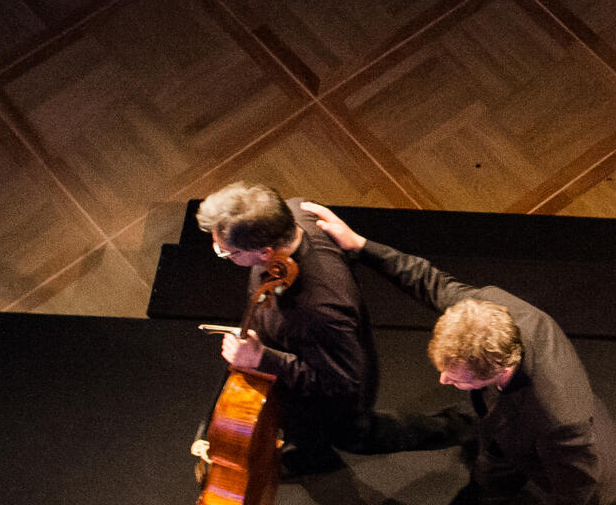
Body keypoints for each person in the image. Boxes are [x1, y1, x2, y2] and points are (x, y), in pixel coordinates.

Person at [300, 202, 616, 505]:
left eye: (457, 379)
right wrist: (360, 245)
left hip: (559, 451)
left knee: (610, 498)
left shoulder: (560, 418)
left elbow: (577, 482)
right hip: (507, 427)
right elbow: (427, 280)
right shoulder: (485, 311)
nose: (444, 382)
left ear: (497, 369)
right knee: (487, 475)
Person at [194, 183, 469, 473]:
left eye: (227, 253)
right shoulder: (299, 211)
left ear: (265, 252)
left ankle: (460, 426)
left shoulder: (319, 309)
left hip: (334, 395)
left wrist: (264, 358)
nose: (221, 254)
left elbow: (341, 382)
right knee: (303, 431)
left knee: (356, 436)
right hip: (302, 358)